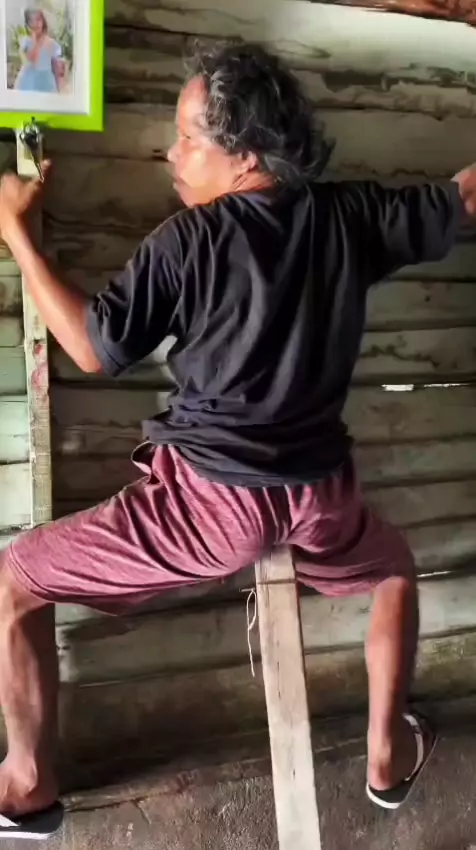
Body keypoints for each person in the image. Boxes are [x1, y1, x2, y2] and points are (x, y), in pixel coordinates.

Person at [0, 39, 474, 832]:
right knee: (393, 569)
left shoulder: (188, 241)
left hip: (213, 507)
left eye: (189, 138)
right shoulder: (349, 216)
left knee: (15, 581)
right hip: (320, 496)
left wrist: (16, 232)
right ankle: (386, 757)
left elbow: (92, 347)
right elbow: (462, 198)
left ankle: (26, 787)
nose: (171, 153)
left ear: (246, 155)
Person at [13, 9, 62, 95]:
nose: (35, 24)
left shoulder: (51, 43)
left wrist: (58, 87)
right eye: (31, 21)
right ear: (28, 24)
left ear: (43, 22)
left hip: (46, 80)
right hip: (28, 80)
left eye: (38, 20)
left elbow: (56, 66)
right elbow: (32, 60)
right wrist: (37, 42)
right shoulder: (26, 41)